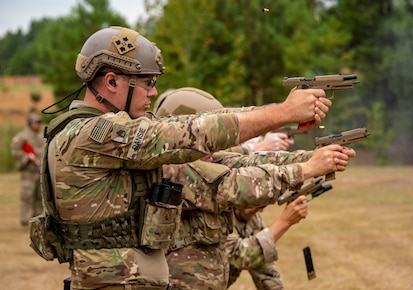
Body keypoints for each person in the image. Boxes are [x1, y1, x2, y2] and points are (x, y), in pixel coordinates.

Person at [35, 26, 333, 290]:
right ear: (112, 82)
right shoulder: (93, 135)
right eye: (147, 82)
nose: (153, 92)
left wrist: (289, 126)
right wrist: (284, 113)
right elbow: (190, 133)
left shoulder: (107, 134)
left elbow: (206, 128)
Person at [153, 87, 356, 289]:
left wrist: (313, 157)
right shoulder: (171, 173)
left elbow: (254, 163)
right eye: (208, 139)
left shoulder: (207, 160)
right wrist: (308, 168)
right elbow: (238, 185)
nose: (215, 148)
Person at [226, 198, 308, 290]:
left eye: (263, 206)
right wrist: (284, 222)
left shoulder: (252, 219)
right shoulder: (216, 214)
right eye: (258, 204)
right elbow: (239, 256)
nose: (260, 210)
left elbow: (265, 271)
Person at [11, 112, 45, 226]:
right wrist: (27, 158)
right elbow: (15, 151)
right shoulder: (22, 137)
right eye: (36, 122)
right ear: (30, 123)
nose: (38, 125)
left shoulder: (43, 136)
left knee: (40, 196)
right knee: (27, 195)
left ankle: (37, 218)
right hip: (28, 172)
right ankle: (25, 219)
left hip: (40, 171)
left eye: (39, 122)